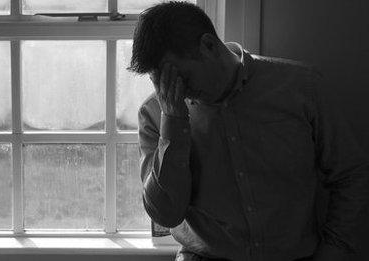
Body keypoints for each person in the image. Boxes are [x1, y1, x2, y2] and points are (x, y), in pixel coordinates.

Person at [130, 2, 369, 261]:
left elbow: (351, 175)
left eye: (181, 77)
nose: (174, 91)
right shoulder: (154, 114)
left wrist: (335, 249)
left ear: (208, 46)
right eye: (161, 81)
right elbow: (166, 215)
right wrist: (173, 122)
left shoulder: (301, 88)